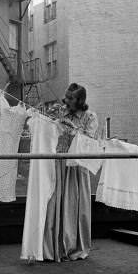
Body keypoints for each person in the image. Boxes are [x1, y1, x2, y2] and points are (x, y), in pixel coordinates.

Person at [43, 83, 98, 261]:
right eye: (66, 96)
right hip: (59, 162)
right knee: (55, 203)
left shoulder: (90, 117)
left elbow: (89, 141)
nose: (66, 101)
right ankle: (56, 245)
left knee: (76, 205)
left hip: (77, 166)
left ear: (80, 100)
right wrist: (48, 116)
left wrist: (72, 129)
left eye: (70, 98)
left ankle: (75, 246)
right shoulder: (60, 111)